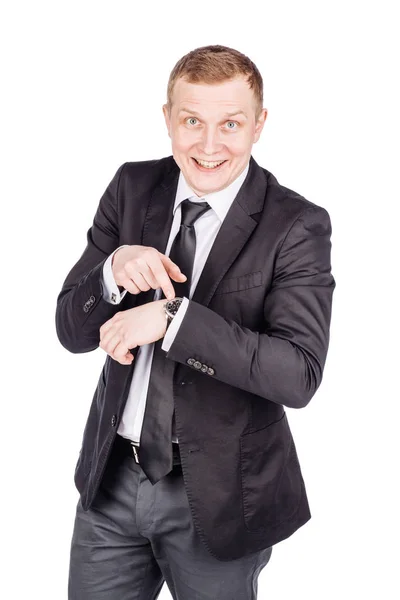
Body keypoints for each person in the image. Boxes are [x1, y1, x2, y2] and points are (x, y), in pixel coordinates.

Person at [56, 44, 335, 599]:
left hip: (222, 497)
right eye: (192, 121)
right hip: (112, 481)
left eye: (230, 123)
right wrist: (111, 271)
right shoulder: (132, 188)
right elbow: (70, 330)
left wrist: (172, 319)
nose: (209, 146)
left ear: (259, 125)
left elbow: (297, 373)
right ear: (167, 119)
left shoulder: (296, 224)